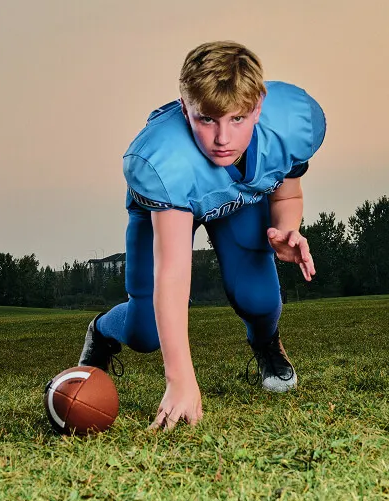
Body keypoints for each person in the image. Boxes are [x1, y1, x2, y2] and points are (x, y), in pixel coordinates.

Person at [79, 41, 326, 430]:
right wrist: (180, 380)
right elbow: (174, 273)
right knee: (146, 330)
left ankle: (267, 345)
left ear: (258, 104)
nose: (222, 138)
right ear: (184, 107)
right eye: (207, 119)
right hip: (172, 205)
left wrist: (287, 226)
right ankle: (102, 331)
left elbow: (288, 192)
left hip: (239, 204)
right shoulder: (164, 160)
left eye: (238, 119)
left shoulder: (292, 123)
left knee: (259, 297)